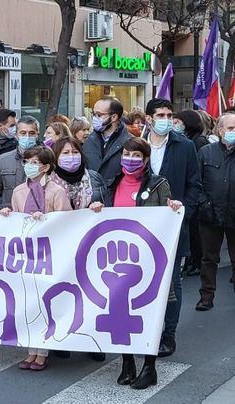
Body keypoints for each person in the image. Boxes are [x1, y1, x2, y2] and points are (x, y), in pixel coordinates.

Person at [95, 137, 183, 390]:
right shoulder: (112, 184)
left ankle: (149, 367)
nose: (130, 159)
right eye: (127, 154)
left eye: (137, 156)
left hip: (147, 262)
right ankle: (127, 364)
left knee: (148, 314)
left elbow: (168, 213)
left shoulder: (158, 184)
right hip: (117, 261)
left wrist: (173, 207)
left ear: (145, 160)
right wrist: (97, 207)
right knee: (121, 314)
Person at [0, 146, 72, 371]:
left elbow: (66, 222)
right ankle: (31, 349)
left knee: (44, 301)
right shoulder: (19, 190)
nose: (29, 165)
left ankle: (43, 351)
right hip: (26, 253)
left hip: (49, 254)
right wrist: (8, 214)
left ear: (46, 167)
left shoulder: (57, 191)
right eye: (27, 161)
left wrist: (47, 220)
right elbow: (17, 218)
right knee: (27, 300)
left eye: (34, 162)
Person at [142, 98, 201, 357]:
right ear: (148, 119)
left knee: (172, 283)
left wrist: (181, 214)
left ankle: (168, 334)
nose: (165, 119)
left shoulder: (185, 147)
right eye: (160, 114)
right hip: (140, 227)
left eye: (169, 114)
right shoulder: (136, 147)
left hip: (172, 228)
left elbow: (194, 186)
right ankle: (143, 330)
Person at [49, 136, 107, 362]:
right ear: (55, 157)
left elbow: (108, 208)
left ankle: (93, 342)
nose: (70, 157)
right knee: (63, 295)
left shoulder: (93, 179)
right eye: (64, 153)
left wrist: (98, 207)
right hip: (60, 248)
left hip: (88, 246)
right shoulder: (47, 182)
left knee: (91, 294)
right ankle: (62, 339)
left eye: (74, 152)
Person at [195, 112, 235, 311]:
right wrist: (204, 204)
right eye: (230, 129)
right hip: (210, 214)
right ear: (220, 131)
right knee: (209, 258)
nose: (233, 132)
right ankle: (206, 297)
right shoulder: (206, 152)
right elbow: (197, 182)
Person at [176, 109, 209, 276]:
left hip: (197, 197)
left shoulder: (198, 142)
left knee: (196, 234)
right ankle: (193, 261)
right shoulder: (188, 140)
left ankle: (197, 262)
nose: (176, 125)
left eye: (178, 122)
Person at [0, 115, 40, 210]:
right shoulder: (3, 160)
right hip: (9, 216)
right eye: (23, 133)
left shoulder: (47, 160)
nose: (27, 137)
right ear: (16, 135)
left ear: (37, 135)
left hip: (38, 217)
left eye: (31, 133)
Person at [83, 98, 133, 187]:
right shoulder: (89, 140)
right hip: (92, 196)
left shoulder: (130, 142)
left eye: (99, 115)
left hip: (117, 195)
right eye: (93, 114)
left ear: (114, 117)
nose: (95, 118)